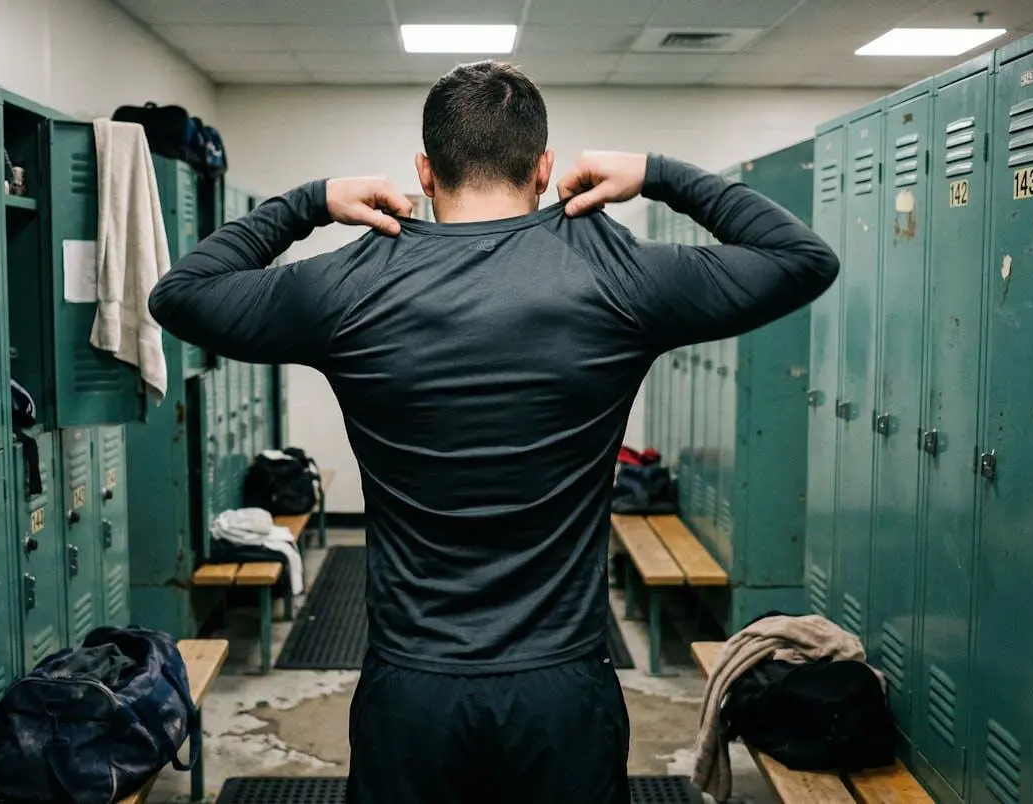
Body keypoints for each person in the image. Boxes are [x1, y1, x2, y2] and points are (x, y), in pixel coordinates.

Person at [148, 60, 839, 804]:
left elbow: (181, 295)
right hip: (562, 691)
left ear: (424, 168)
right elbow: (802, 259)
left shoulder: (352, 283)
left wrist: (310, 203)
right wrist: (656, 173)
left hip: (411, 692)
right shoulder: (617, 273)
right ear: (544, 168)